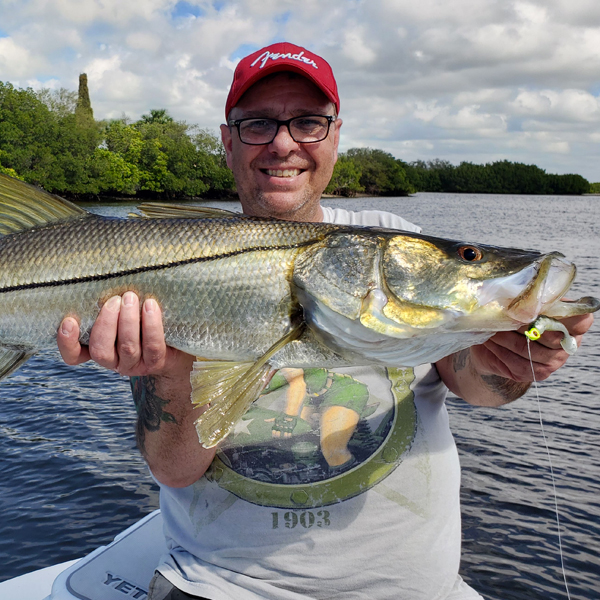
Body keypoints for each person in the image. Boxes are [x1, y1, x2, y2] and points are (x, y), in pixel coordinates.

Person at [57, 42, 594, 600]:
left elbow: (480, 386)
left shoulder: (392, 237)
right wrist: (168, 375)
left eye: (309, 122)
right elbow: (175, 469)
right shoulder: (164, 258)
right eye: (258, 124)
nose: (284, 143)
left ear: (335, 136)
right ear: (227, 141)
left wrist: (513, 362)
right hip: (220, 587)